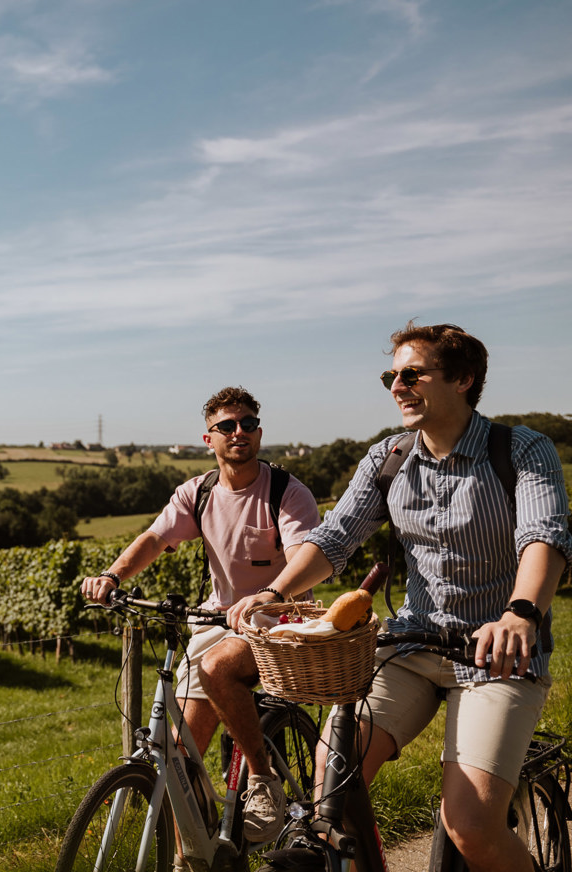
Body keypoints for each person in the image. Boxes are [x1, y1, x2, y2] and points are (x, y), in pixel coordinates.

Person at [228, 323, 572, 872]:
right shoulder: (388, 457)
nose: (397, 386)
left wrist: (521, 612)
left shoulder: (521, 450)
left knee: (470, 827)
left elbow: (544, 536)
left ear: (463, 379)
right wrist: (273, 591)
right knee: (332, 788)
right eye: (392, 375)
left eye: (413, 373)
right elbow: (335, 537)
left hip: (497, 654)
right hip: (410, 644)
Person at [80, 386, 320, 855]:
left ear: (260, 433)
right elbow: (154, 538)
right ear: (207, 439)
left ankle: (264, 780)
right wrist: (112, 575)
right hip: (216, 621)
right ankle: (202, 852)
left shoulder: (287, 492)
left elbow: (303, 560)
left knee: (217, 670)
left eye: (248, 424)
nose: (239, 433)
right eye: (226, 426)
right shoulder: (200, 493)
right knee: (179, 753)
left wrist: (266, 598)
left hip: (279, 622)